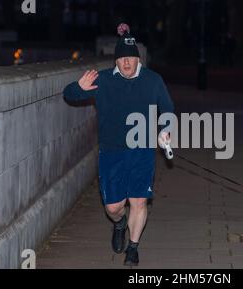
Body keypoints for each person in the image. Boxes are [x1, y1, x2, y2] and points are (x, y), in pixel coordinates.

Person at [63, 23, 174, 266]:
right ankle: (120, 223)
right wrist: (77, 88)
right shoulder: (103, 80)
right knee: (113, 207)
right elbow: (69, 95)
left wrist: (165, 130)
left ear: (138, 60)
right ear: (116, 61)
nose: (126, 63)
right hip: (111, 151)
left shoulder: (153, 81)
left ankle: (133, 248)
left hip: (142, 151)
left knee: (139, 200)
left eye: (130, 59)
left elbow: (167, 109)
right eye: (121, 59)